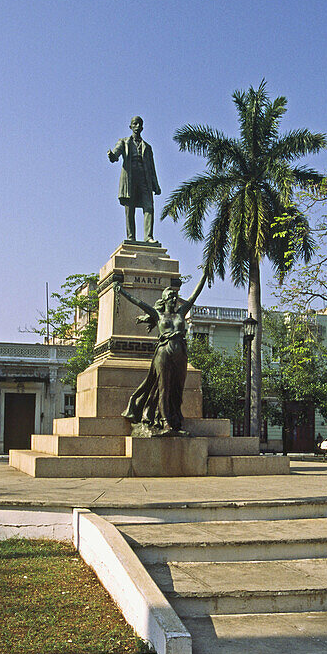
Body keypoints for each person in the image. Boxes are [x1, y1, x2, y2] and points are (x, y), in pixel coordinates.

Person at [113, 270, 209, 434]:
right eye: (170, 297)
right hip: (164, 353)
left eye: (174, 297)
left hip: (180, 354)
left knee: (177, 389)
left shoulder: (181, 313)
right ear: (164, 300)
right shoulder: (158, 314)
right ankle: (166, 423)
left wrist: (205, 276)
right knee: (163, 387)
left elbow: (194, 295)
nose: (173, 300)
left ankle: (176, 420)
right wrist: (121, 291)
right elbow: (139, 302)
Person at [108, 116, 161, 244]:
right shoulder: (124, 142)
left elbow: (152, 167)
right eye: (135, 124)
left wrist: (156, 184)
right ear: (130, 126)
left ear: (142, 127)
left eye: (139, 124)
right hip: (130, 177)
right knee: (129, 208)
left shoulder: (147, 147)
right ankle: (131, 236)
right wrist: (113, 156)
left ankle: (148, 237)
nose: (137, 126)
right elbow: (117, 152)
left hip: (144, 178)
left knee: (149, 206)